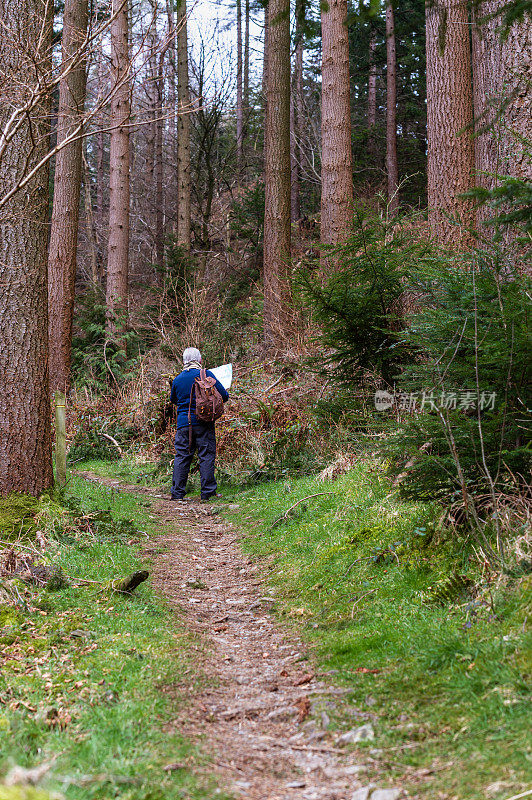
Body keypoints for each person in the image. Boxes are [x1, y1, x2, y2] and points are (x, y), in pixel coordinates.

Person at [169, 347, 229, 501]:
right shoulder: (206, 374)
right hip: (203, 423)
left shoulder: (177, 380)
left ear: (183, 361)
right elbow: (224, 395)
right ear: (199, 360)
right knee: (206, 456)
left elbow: (174, 400)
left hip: (183, 425)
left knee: (182, 457)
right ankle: (207, 492)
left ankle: (177, 493)